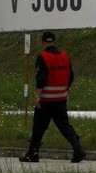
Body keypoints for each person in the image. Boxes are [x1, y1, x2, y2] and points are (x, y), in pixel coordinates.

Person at [19, 31, 86, 163]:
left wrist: (37, 96)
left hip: (46, 100)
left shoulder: (43, 57)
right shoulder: (65, 56)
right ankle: (79, 151)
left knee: (38, 127)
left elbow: (41, 78)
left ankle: (33, 153)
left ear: (43, 42)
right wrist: (66, 90)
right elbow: (70, 76)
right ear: (54, 42)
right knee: (64, 126)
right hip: (60, 99)